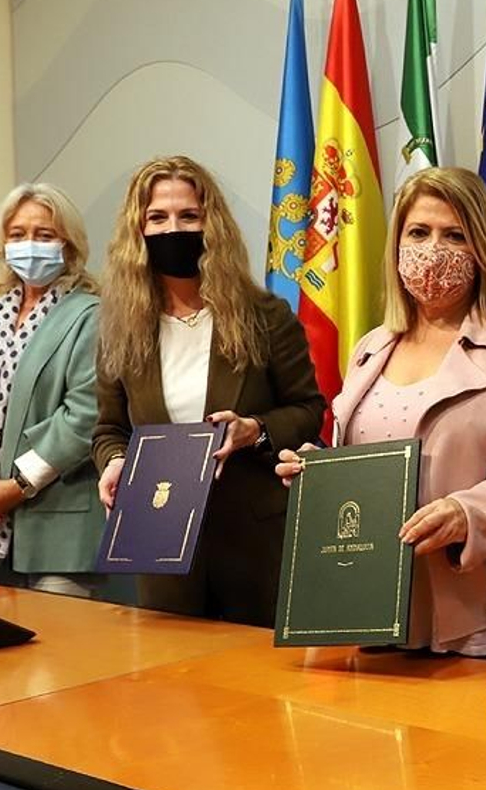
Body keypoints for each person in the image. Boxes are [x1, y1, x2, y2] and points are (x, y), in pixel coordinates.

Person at [277, 167, 486, 657]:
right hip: (380, 605)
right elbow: (362, 462)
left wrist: (468, 513)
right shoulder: (371, 348)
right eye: (419, 233)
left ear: (481, 247)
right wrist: (317, 475)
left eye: (454, 235)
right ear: (397, 243)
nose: (433, 249)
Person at [93, 155, 324, 626]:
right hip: (160, 539)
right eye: (157, 218)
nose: (173, 229)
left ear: (211, 224)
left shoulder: (265, 316)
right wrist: (115, 462)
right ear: (137, 230)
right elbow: (109, 429)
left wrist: (254, 429)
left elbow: (308, 409)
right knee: (170, 668)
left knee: (254, 670)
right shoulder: (122, 328)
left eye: (188, 216)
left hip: (253, 542)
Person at [0, 183, 105, 597]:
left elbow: (86, 414)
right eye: (18, 234)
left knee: (57, 639)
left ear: (68, 244)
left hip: (58, 522)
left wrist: (17, 486)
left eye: (44, 235)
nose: (29, 244)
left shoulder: (90, 314)